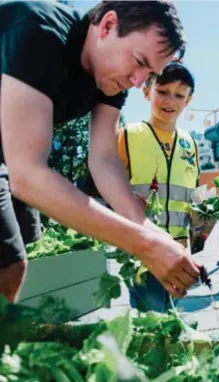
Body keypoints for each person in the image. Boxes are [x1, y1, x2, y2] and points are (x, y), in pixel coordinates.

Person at [0, 0, 200, 304]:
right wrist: (144, 244)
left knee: (30, 261)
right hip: (12, 165)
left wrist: (151, 232)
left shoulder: (114, 79)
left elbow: (103, 158)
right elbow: (27, 176)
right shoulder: (38, 31)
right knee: (10, 265)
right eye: (138, 61)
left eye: (148, 73)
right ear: (107, 25)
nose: (137, 82)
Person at [117, 61, 199, 311]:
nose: (170, 100)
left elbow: (192, 196)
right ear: (146, 91)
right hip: (143, 250)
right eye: (162, 91)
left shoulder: (190, 144)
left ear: (188, 101)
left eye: (179, 95)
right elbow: (106, 191)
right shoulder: (128, 135)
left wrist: (204, 218)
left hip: (179, 252)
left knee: (172, 322)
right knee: (150, 322)